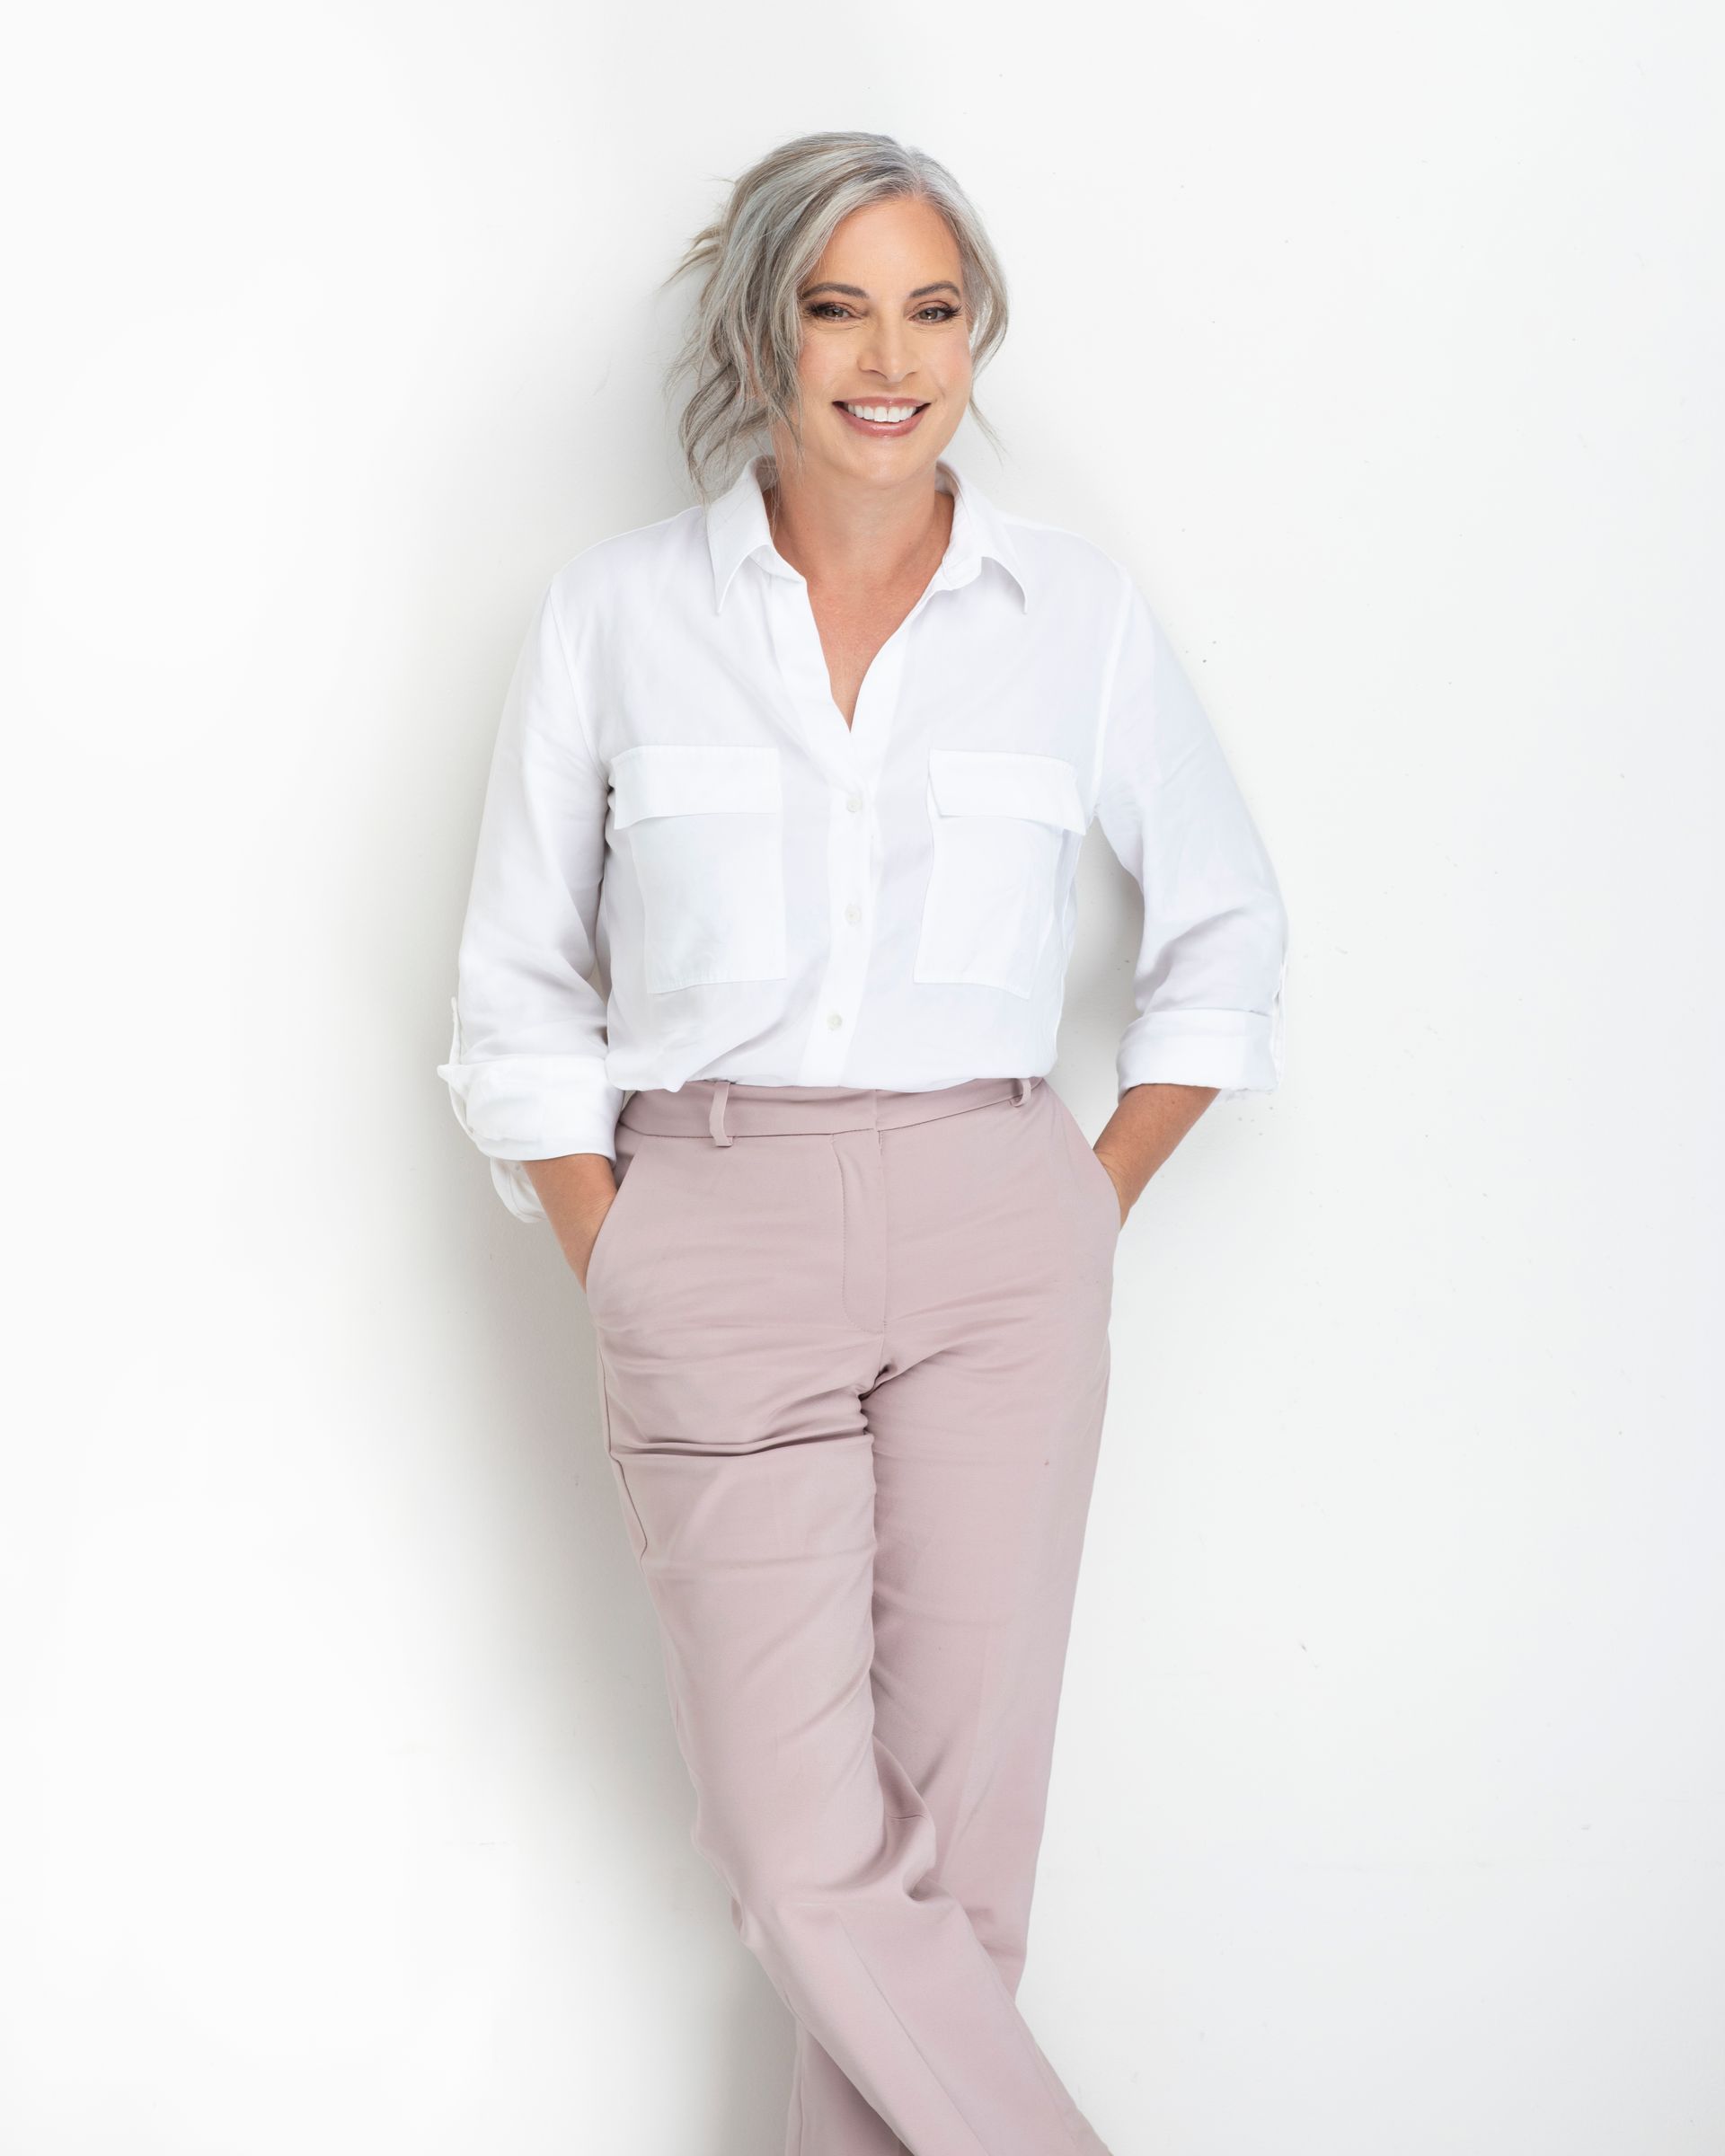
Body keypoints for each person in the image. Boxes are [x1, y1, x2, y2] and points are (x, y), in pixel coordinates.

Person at [437, 129, 1287, 2156]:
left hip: (1001, 1223)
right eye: (839, 304)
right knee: (801, 1852)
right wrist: (620, 1243)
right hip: (707, 1216)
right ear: (767, 333)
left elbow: (1229, 929)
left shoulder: (1071, 616)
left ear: (976, 336)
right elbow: (511, 985)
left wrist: (1077, 1207)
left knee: (957, 1867)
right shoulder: (619, 615)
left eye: (933, 307)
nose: (888, 356)